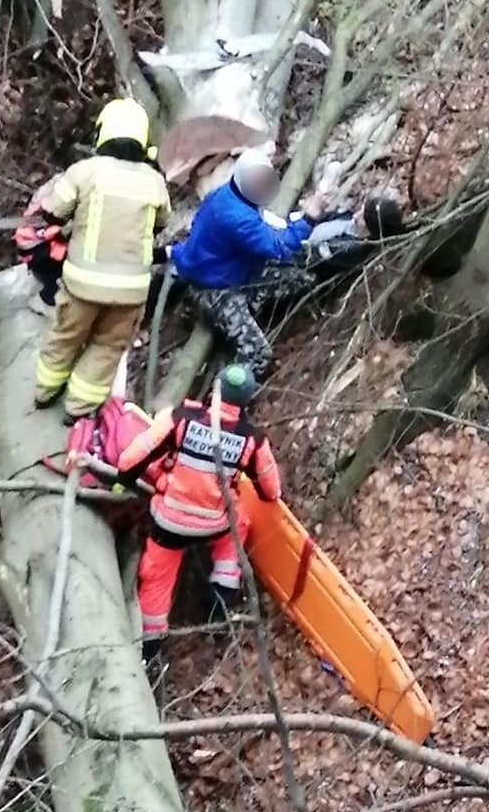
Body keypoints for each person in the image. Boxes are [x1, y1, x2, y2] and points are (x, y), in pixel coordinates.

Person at [117, 364, 282, 661]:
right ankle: (220, 607)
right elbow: (271, 491)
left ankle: (149, 647)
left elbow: (130, 460)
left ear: (215, 391)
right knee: (240, 522)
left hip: (169, 525)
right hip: (214, 525)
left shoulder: (181, 418)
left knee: (157, 579)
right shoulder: (252, 440)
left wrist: (129, 482)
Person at [34, 98, 172, 424]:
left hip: (82, 283)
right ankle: (77, 408)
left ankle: (44, 391)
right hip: (131, 292)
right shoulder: (154, 181)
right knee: (108, 347)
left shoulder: (84, 172)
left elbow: (52, 210)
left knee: (65, 335)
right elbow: (162, 222)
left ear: (101, 134)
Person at [167, 150, 327, 377]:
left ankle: (250, 309)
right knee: (258, 354)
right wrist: (309, 217)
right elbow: (277, 247)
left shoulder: (224, 194)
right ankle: (225, 394)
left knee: (302, 279)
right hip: (213, 289)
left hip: (231, 272)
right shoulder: (236, 217)